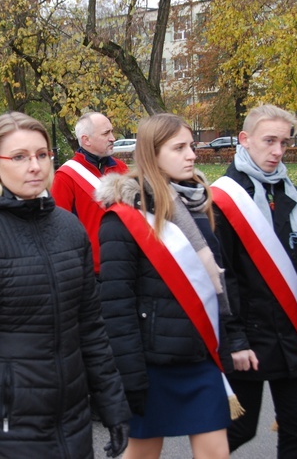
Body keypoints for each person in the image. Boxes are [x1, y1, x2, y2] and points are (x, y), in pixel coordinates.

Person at [0, 111, 131, 458]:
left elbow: (91, 331)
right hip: (5, 426)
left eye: (42, 154)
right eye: (19, 157)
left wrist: (114, 407)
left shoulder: (69, 228)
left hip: (73, 422)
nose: (35, 166)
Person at [96, 113, 233, 459]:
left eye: (192, 146)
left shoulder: (199, 206)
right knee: (143, 453)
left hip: (199, 355)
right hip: (152, 363)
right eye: (179, 147)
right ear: (151, 153)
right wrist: (129, 375)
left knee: (216, 453)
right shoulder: (124, 217)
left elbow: (218, 286)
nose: (192, 155)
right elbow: (116, 305)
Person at [210, 104, 297, 457]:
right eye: (269, 141)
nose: (278, 151)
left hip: (291, 332)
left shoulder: (286, 191)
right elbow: (224, 278)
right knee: (239, 429)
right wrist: (235, 340)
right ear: (245, 140)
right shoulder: (224, 197)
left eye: (284, 142)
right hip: (249, 334)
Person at [51, 112, 128, 274]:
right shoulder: (66, 176)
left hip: (126, 262)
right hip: (90, 272)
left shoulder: (121, 168)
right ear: (86, 140)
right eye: (106, 133)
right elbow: (58, 231)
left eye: (111, 132)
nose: (113, 138)